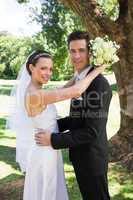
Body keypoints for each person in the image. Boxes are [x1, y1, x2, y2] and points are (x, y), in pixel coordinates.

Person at [8, 49, 106, 200]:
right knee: (47, 192)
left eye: (50, 69)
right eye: (43, 68)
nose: (48, 73)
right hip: (44, 154)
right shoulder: (35, 96)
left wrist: (80, 73)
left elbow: (63, 89)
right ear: (31, 68)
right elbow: (76, 90)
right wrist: (98, 69)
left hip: (48, 149)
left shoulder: (38, 91)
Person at [35, 31, 112, 200]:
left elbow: (92, 131)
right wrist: (53, 125)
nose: (76, 56)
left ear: (90, 52)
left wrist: (54, 139)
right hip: (80, 157)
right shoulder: (79, 80)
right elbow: (77, 119)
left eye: (81, 50)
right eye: (72, 50)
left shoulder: (98, 84)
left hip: (92, 160)